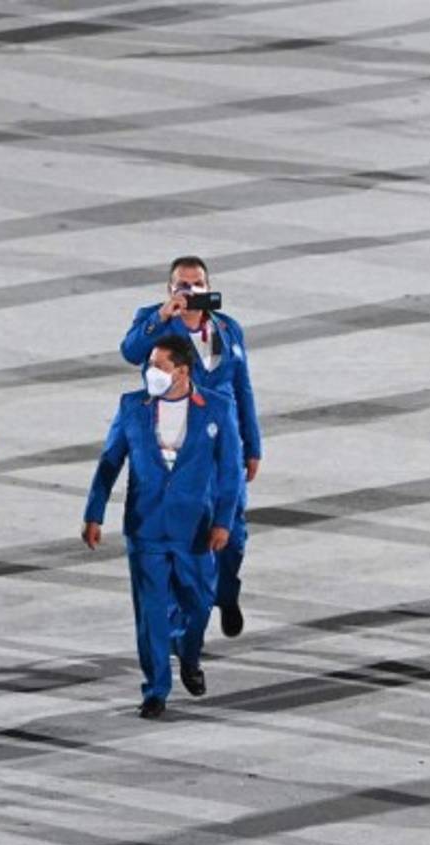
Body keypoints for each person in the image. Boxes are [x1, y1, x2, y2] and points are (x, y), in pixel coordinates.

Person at [82, 335, 243, 718]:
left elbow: (231, 472)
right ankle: (155, 688)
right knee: (150, 611)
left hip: (196, 530)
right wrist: (94, 512)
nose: (150, 372)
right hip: (146, 527)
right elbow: (110, 462)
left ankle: (188, 653)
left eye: (159, 366)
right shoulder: (132, 407)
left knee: (199, 603)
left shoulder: (217, 409)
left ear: (183, 371)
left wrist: (224, 521)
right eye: (150, 365)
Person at [119, 256, 261, 638]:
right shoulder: (154, 321)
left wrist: (253, 446)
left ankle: (227, 595)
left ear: (208, 286)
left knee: (233, 536)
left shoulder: (228, 328)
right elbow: (131, 352)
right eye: (182, 285)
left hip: (223, 448)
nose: (190, 291)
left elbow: (242, 389)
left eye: (197, 284)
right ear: (170, 290)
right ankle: (177, 630)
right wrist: (163, 317)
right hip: (179, 450)